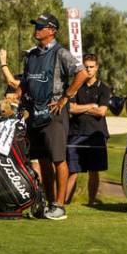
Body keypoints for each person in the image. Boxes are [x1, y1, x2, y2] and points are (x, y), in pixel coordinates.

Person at [21, 12, 89, 220]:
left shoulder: (61, 53)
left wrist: (65, 97)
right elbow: (25, 83)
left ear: (52, 31)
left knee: (58, 159)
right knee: (42, 160)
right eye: (36, 26)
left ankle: (59, 205)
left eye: (41, 26)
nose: (37, 30)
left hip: (54, 113)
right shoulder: (31, 55)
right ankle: (49, 203)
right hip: (34, 113)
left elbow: (82, 73)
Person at [64, 53, 110, 205]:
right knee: (72, 170)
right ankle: (65, 202)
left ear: (96, 68)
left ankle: (91, 201)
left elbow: (102, 112)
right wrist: (91, 106)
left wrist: (80, 108)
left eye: (91, 67)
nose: (89, 70)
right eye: (86, 67)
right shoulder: (76, 85)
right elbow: (70, 108)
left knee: (94, 171)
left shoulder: (104, 88)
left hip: (96, 134)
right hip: (75, 132)